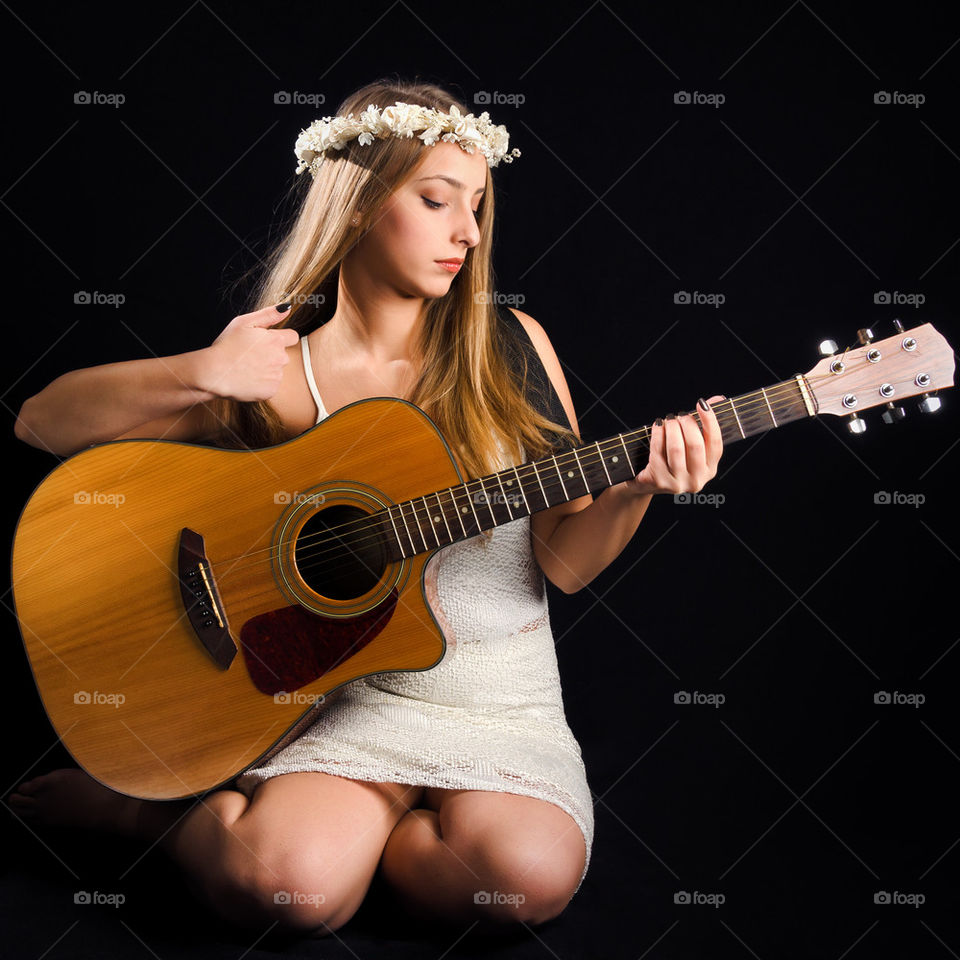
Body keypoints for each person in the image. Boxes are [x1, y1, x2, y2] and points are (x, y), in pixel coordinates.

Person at [8, 78, 724, 940]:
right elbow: (42, 423)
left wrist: (640, 489)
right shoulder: (275, 372)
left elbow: (565, 564)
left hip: (501, 699)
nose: (467, 231)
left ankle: (372, 841)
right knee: (287, 893)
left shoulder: (513, 347)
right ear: (357, 202)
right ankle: (143, 818)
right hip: (343, 700)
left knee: (526, 883)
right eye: (435, 199)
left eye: (478, 206)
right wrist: (202, 370)